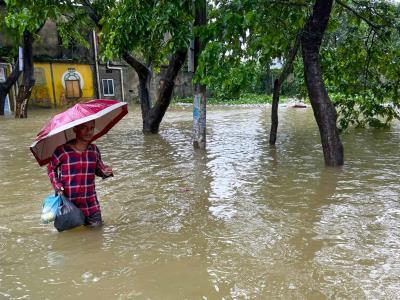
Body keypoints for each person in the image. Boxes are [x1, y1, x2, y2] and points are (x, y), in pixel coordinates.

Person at [47, 120, 113, 228]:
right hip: (69, 207)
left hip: (91, 207)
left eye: (91, 128)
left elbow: (99, 169)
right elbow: (51, 169)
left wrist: (105, 172)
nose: (89, 132)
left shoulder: (94, 150)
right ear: (75, 129)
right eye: (84, 128)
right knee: (69, 241)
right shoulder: (62, 151)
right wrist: (58, 187)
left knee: (97, 239)